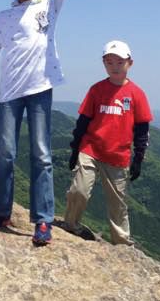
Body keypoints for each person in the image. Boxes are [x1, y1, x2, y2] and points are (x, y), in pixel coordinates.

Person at [0, 0, 132, 246]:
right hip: (8, 96)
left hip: (40, 90)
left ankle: (42, 220)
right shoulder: (3, 17)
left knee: (42, 155)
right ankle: (0, 213)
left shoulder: (49, 6)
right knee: (6, 154)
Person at [64, 41, 152, 247]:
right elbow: (83, 121)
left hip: (118, 156)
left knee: (117, 204)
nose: (114, 66)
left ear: (130, 63)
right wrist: (75, 148)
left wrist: (139, 158)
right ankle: (71, 225)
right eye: (109, 61)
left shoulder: (136, 94)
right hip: (91, 149)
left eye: (119, 62)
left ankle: (121, 242)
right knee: (79, 190)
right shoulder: (96, 90)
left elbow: (142, 129)